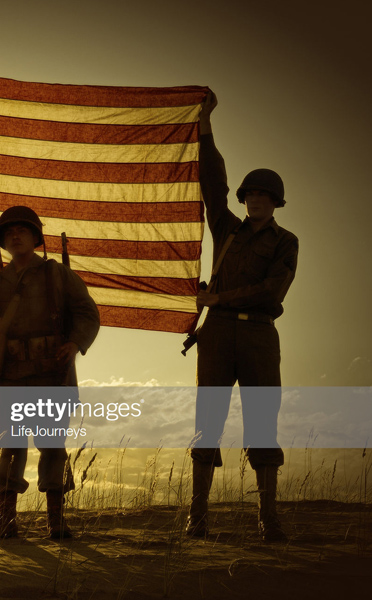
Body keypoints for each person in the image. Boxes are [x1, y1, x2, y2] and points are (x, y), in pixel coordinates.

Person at [188, 91, 298, 543]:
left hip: (258, 337)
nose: (255, 200)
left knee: (262, 424)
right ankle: (197, 518)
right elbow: (213, 181)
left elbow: (274, 289)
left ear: (275, 202)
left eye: (264, 196)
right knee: (206, 425)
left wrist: (220, 299)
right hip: (217, 337)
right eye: (251, 194)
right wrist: (205, 124)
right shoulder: (227, 229)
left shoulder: (286, 240)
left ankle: (268, 520)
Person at [0, 206, 100, 539]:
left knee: (52, 446)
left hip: (51, 372)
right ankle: (6, 518)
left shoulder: (57, 275)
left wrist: (75, 343)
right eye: (9, 232)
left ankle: (56, 519)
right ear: (2, 241)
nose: (15, 235)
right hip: (11, 375)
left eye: (22, 230)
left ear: (36, 237)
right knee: (10, 448)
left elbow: (88, 313)